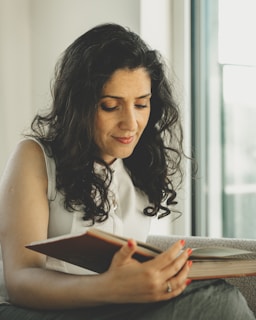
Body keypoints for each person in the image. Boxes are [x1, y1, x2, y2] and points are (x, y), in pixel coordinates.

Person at [0, 23, 254, 320]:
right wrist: (108, 288)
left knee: (218, 295)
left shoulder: (137, 166)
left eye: (141, 104)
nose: (131, 123)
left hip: (112, 307)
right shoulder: (35, 156)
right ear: (81, 107)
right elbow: (20, 280)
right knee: (216, 305)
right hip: (32, 310)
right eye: (110, 106)